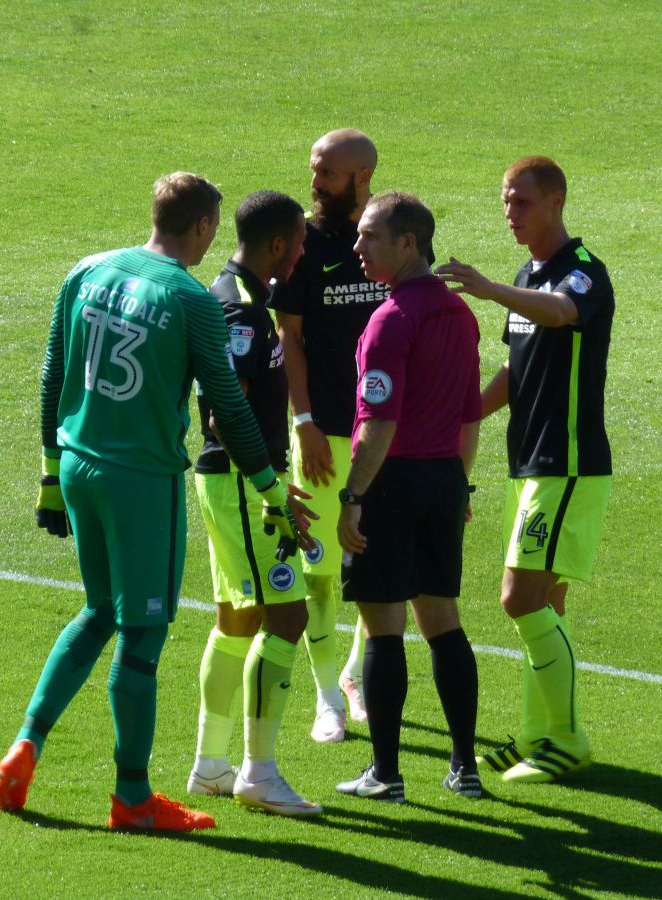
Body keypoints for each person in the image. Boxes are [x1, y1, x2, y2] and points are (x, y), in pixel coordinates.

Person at [0, 172, 306, 832]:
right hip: (143, 482)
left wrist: (50, 474)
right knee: (142, 631)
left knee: (99, 609)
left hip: (79, 465)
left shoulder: (87, 269)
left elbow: (54, 373)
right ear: (203, 228)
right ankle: (132, 797)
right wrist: (272, 491)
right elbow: (230, 408)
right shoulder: (190, 300)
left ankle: (28, 741)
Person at [436, 156, 615, 783]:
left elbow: (563, 314)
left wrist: (487, 290)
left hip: (566, 465)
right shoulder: (527, 275)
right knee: (547, 603)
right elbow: (517, 371)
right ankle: (539, 731)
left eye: (522, 202)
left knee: (518, 599)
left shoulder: (584, 274)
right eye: (506, 202)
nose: (510, 213)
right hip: (529, 463)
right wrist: (463, 413)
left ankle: (568, 738)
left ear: (557, 200)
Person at [333, 192, 484, 803]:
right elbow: (471, 414)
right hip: (446, 478)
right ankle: (464, 767)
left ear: (409, 244)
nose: (358, 247)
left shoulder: (390, 320)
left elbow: (378, 424)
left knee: (383, 627)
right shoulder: (459, 314)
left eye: (370, 236)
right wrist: (461, 484)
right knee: (444, 622)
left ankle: (386, 775)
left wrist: (352, 496)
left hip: (391, 484)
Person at [186, 190, 323, 817]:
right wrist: (269, 484)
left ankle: (210, 766)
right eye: (297, 243)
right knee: (286, 617)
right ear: (276, 245)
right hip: (243, 483)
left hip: (233, 482)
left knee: (235, 619)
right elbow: (223, 414)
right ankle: (258, 773)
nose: (301, 253)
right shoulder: (240, 311)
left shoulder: (239, 300)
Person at [270, 128, 387, 742]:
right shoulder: (301, 243)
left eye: (328, 172)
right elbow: (289, 338)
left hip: (384, 435)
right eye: (313, 167)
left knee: (374, 563)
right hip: (321, 432)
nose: (315, 181)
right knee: (317, 571)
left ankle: (355, 677)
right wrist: (304, 421)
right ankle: (326, 702)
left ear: (361, 176)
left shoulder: (392, 232)